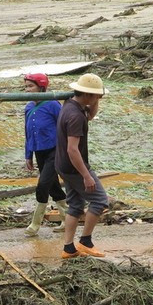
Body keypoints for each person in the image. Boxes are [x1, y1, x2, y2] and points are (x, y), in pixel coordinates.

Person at [55, 73, 109, 259]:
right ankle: (85, 241)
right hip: (73, 165)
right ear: (87, 95)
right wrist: (86, 175)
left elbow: (91, 115)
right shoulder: (75, 116)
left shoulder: (70, 104)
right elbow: (73, 150)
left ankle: (68, 248)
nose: (98, 99)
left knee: (76, 204)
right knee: (100, 200)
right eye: (96, 96)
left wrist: (96, 98)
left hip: (62, 164)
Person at [22, 73, 68, 236]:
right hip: (39, 152)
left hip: (54, 150)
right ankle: (67, 219)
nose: (27, 90)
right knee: (53, 186)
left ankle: (35, 223)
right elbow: (28, 133)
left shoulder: (53, 105)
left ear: (41, 87)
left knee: (43, 185)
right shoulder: (28, 107)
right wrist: (28, 155)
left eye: (31, 86)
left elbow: (64, 126)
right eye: (26, 86)